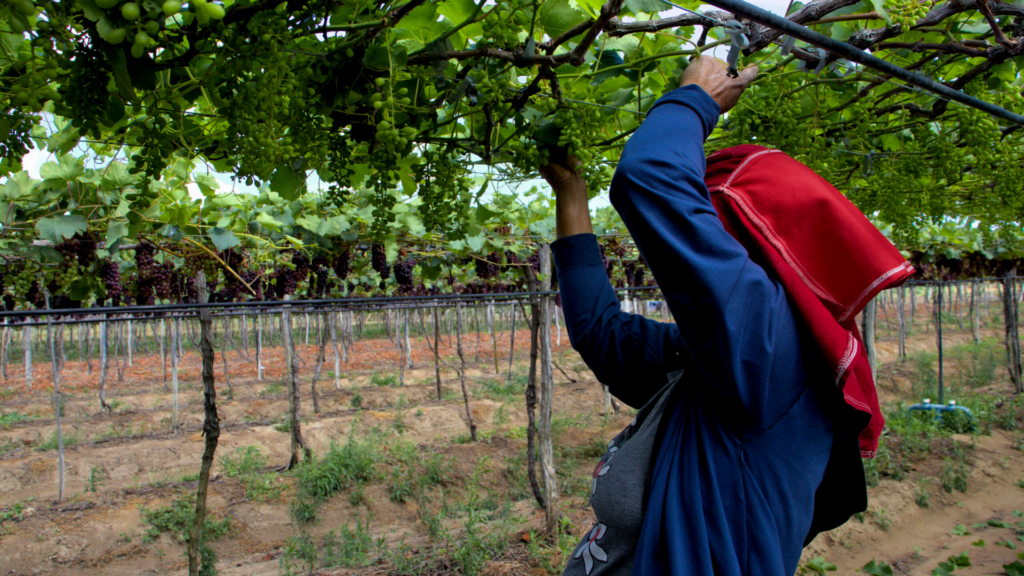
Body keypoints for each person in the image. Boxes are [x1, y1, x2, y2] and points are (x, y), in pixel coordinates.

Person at [543, 56, 890, 576]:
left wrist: (697, 100)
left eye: (713, 224)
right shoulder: (709, 368)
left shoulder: (772, 357)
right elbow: (601, 332)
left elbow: (650, 177)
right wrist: (571, 192)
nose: (696, 247)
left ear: (762, 251)